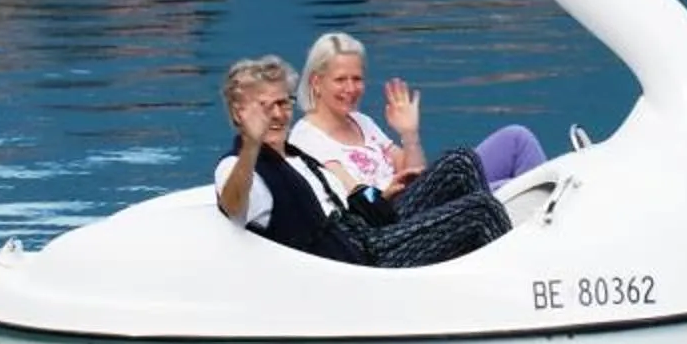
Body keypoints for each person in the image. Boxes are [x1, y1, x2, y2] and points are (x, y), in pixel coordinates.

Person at [214, 56, 508, 268]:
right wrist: (251, 145)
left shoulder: (295, 155)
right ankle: (513, 290)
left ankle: (477, 265)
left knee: (460, 162)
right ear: (241, 113)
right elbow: (234, 205)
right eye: (266, 107)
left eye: (283, 103)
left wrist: (380, 195)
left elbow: (345, 194)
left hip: (372, 227)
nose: (278, 115)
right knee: (482, 210)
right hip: (360, 262)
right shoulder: (240, 166)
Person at [289, 30, 547, 203]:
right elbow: (349, 192)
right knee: (512, 187)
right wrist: (382, 195)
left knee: (517, 139)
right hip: (392, 218)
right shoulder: (307, 137)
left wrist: (409, 134)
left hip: (418, 199)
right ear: (316, 82)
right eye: (340, 80)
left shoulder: (361, 122)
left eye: (356, 79)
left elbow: (417, 173)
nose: (351, 89)